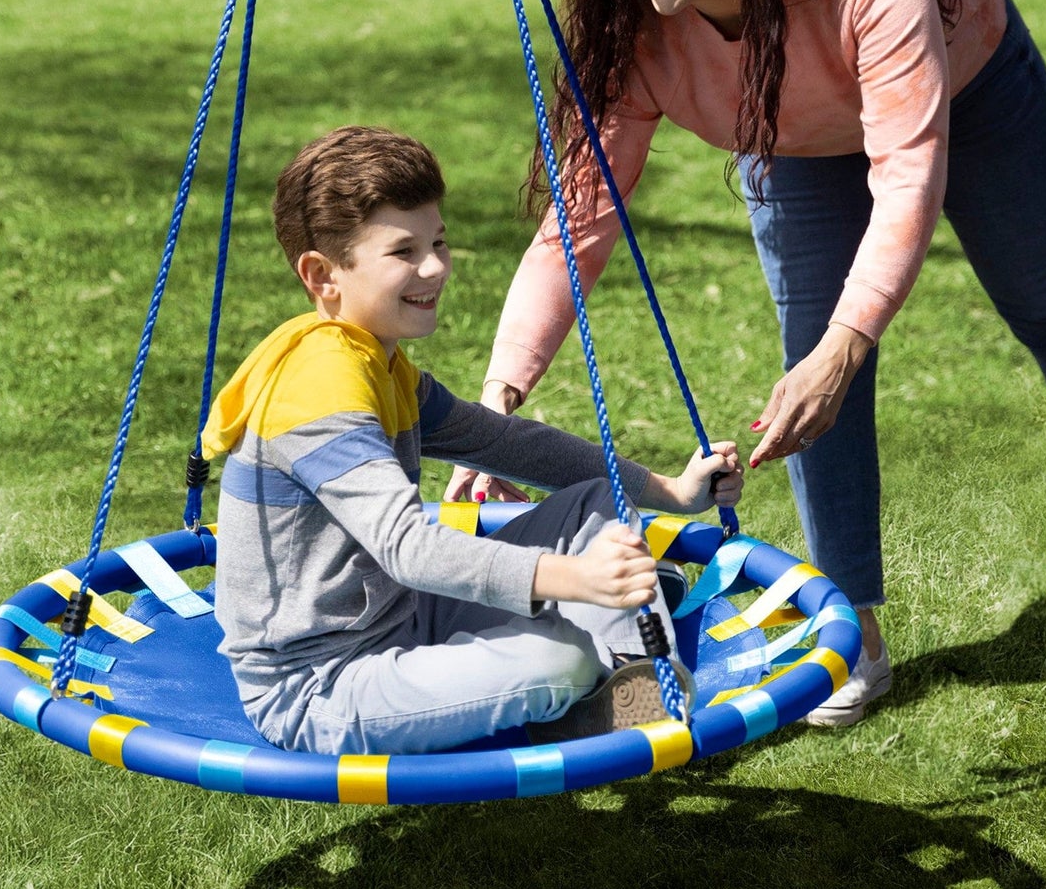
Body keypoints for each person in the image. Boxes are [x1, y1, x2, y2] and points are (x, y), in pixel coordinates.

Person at [448, 0, 1046, 726]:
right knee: (810, 366)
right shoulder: (636, 30)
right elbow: (577, 224)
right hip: (794, 136)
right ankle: (856, 633)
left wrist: (851, 342)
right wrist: (496, 406)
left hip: (966, 88)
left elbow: (906, 181)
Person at [201, 125, 742, 756]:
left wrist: (673, 492)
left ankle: (635, 680)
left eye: (439, 241)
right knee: (560, 657)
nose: (435, 266)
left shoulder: (377, 362)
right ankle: (593, 674)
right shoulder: (319, 388)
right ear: (324, 275)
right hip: (318, 682)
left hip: (401, 614)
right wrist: (573, 579)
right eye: (403, 252)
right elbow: (407, 547)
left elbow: (511, 445)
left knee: (592, 500)